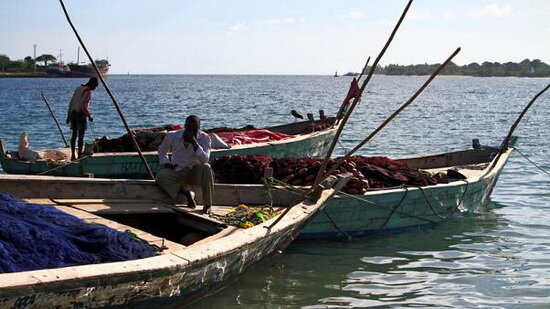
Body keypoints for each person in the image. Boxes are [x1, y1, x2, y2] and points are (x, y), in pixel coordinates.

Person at [156, 115, 214, 214]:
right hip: (178, 170)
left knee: (207, 168)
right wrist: (166, 163)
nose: (190, 131)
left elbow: (205, 159)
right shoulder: (172, 135)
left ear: (199, 128)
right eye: (188, 128)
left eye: (194, 129)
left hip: (195, 171)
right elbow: (162, 151)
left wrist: (194, 143)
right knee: (161, 176)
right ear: (184, 126)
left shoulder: (205, 138)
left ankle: (208, 204)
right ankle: (187, 193)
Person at [66, 77, 98, 160]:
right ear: (93, 84)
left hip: (73, 113)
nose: (95, 88)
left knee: (74, 135)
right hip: (80, 114)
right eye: (95, 86)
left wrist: (69, 115)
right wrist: (89, 115)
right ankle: (79, 156)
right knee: (81, 136)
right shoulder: (88, 91)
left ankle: (73, 155)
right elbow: (83, 104)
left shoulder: (78, 88)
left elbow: (72, 102)